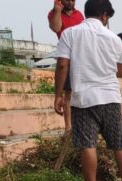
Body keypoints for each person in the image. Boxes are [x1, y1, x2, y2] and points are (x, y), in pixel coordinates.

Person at [53, 0, 122, 181]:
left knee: (88, 144)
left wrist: (58, 95)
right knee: (119, 144)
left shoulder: (69, 34)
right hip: (110, 97)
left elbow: (62, 66)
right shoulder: (114, 38)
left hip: (83, 98)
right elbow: (121, 71)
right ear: (104, 15)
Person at [48, 0, 84, 133]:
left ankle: (81, 123)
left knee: (80, 91)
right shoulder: (53, 13)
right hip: (66, 54)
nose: (71, 2)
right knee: (68, 92)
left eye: (73, 0)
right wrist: (57, 10)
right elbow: (56, 28)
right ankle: (68, 126)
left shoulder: (79, 15)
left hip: (81, 56)